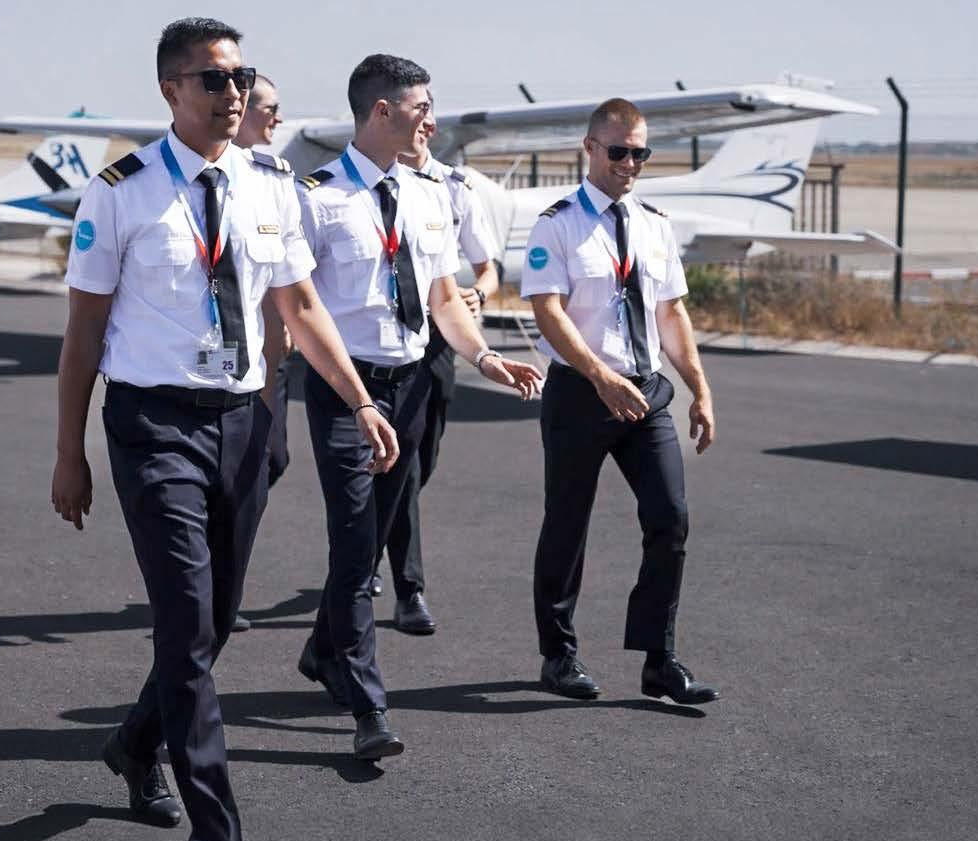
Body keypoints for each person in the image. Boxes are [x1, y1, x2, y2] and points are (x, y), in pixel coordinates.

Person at [50, 19, 397, 841]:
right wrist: (68, 451)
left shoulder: (269, 184)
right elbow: (83, 331)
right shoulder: (120, 193)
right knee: (184, 624)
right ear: (171, 89)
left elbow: (301, 304)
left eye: (240, 76)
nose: (232, 91)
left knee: (208, 627)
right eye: (212, 78)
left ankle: (134, 744)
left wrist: (359, 399)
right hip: (152, 425)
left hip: (241, 421)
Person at [295, 53, 542, 759]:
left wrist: (486, 358)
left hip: (409, 385)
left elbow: (440, 299)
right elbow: (300, 309)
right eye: (421, 106)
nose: (431, 118)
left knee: (373, 534)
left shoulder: (431, 195)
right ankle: (368, 707)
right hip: (346, 389)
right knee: (353, 543)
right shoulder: (315, 199)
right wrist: (352, 396)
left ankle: (321, 651)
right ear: (383, 110)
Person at [520, 97, 721, 706]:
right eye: (618, 152)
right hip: (581, 393)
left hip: (646, 393)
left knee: (670, 517)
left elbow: (671, 313)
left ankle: (659, 660)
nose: (630, 164)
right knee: (567, 524)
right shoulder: (556, 224)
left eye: (640, 153)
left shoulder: (656, 224)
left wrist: (700, 389)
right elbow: (548, 311)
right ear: (590, 149)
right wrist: (599, 376)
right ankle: (558, 655)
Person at [377, 111, 503, 636]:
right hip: (384, 336)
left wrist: (479, 295)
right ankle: (409, 590)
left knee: (422, 458)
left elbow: (488, 268)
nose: (422, 128)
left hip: (439, 334)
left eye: (429, 121)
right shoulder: (372, 183)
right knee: (402, 468)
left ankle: (374, 540)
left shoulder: (453, 188)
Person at [227, 72, 286, 634]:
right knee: (236, 476)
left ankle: (219, 585)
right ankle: (219, 594)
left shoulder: (275, 183)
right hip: (212, 366)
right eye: (269, 108)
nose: (278, 119)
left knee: (272, 461)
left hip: (267, 362)